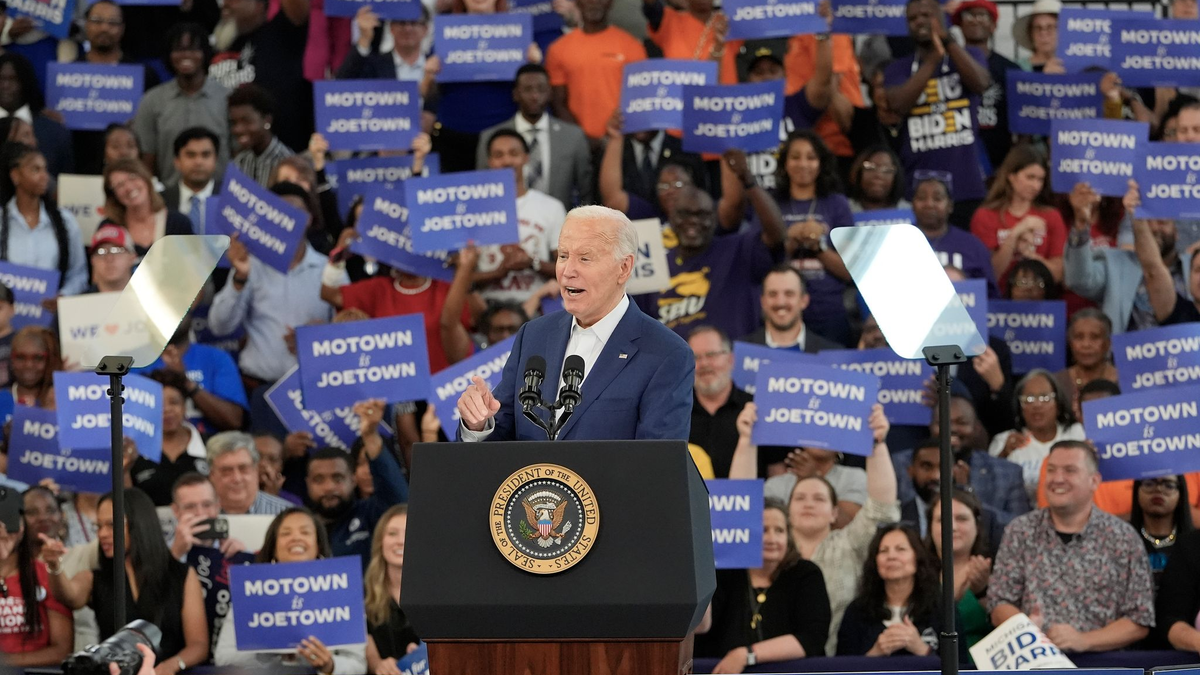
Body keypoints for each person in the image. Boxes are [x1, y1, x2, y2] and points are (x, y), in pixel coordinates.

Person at [457, 205, 694, 442]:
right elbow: (502, 428)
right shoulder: (534, 335)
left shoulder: (666, 353)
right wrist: (478, 424)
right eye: (563, 256)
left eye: (585, 258)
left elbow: (660, 465)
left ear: (623, 268)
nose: (568, 271)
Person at [988, 441, 1155, 652]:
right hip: (1035, 662)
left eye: (1070, 471)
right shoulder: (1020, 531)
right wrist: (1028, 631)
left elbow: (1140, 620)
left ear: (1094, 481)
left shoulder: (1122, 538)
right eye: (1051, 470)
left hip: (1101, 667)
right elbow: (998, 602)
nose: (1058, 479)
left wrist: (1085, 640)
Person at [41, 488, 210, 672]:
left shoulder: (181, 575)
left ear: (140, 524)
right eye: (98, 526)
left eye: (112, 525)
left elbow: (199, 645)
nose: (102, 534)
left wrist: (168, 667)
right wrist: (54, 565)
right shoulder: (96, 577)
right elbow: (69, 595)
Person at [787, 404, 899, 655]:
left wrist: (877, 444)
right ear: (787, 510)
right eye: (800, 498)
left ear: (834, 513)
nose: (809, 504)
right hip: (777, 665)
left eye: (819, 499)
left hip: (841, 661)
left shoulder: (848, 543)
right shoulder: (771, 550)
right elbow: (742, 515)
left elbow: (881, 508)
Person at [210, 182, 343, 390]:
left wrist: (322, 335)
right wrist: (240, 276)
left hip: (318, 387)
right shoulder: (250, 265)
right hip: (259, 387)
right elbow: (219, 327)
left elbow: (352, 329)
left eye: (295, 211)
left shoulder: (331, 270)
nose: (287, 218)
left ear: (309, 218)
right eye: (280, 212)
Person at [214, 508, 367, 673]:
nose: (296, 538)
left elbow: (358, 664)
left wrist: (330, 665)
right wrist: (265, 651)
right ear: (274, 547)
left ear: (319, 546)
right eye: (286, 533)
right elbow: (223, 657)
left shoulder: (342, 590)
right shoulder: (250, 591)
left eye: (305, 532)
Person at [883, 0, 991, 224]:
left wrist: (947, 41)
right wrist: (933, 59)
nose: (919, 21)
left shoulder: (970, 55)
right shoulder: (898, 68)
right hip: (918, 191)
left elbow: (981, 83)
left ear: (942, 19)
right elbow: (899, 104)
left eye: (926, 15)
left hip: (965, 186)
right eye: (912, 18)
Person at [647, 169, 786, 340]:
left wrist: (750, 184)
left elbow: (776, 236)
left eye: (701, 215)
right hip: (679, 365)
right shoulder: (654, 267)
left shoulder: (739, 250)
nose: (693, 222)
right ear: (672, 219)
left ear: (714, 219)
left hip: (734, 362)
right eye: (684, 214)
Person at [696, 498, 831, 668]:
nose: (771, 538)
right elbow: (701, 628)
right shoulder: (724, 573)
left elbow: (812, 637)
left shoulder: (806, 574)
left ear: (788, 537)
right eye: (763, 530)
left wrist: (747, 655)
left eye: (780, 530)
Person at [306, 399, 409, 568]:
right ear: (307, 483)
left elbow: (398, 499)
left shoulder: (369, 513)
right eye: (319, 479)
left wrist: (369, 435)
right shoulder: (300, 524)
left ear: (353, 480)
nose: (329, 487)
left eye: (338, 478)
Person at [476, 64, 594, 208]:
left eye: (541, 89)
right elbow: (482, 188)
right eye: (527, 89)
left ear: (550, 93)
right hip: (508, 220)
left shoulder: (573, 136)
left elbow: (586, 191)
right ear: (516, 94)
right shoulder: (491, 137)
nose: (535, 96)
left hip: (559, 223)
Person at [775, 130, 854, 345]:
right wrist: (791, 239)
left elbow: (850, 272)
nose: (803, 164)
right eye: (795, 157)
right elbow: (762, 265)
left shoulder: (837, 204)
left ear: (821, 164)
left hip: (828, 310)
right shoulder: (772, 203)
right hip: (780, 308)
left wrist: (817, 246)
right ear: (784, 163)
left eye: (811, 157)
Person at [471, 129, 566, 307]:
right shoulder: (472, 210)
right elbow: (460, 278)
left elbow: (569, 268)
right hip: (487, 310)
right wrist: (498, 273)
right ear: (489, 161)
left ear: (526, 157)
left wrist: (533, 263)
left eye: (513, 154)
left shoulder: (552, 207)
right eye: (498, 155)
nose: (507, 161)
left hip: (539, 309)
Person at [132, 23, 231, 185]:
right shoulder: (152, 100)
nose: (186, 55)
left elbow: (238, 156)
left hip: (218, 199)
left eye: (193, 49)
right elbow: (146, 159)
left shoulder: (226, 98)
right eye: (178, 50)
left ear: (205, 54)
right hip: (168, 197)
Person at [209, 0, 312, 154]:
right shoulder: (219, 44)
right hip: (225, 157)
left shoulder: (282, 34)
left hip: (281, 156)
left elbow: (297, 7)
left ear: (259, 5)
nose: (226, 4)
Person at [545, 0, 647, 146]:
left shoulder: (632, 46)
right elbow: (558, 103)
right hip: (577, 144)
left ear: (610, 3)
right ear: (578, 3)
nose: (594, 3)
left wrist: (616, 137)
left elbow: (639, 101)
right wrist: (582, 140)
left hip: (621, 142)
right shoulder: (558, 49)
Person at [971, 145, 1067, 294]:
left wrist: (1031, 256)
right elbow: (992, 274)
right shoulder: (985, 215)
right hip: (998, 300)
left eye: (1040, 179)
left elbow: (1057, 275)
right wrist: (1016, 234)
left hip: (1041, 303)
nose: (1036, 186)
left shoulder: (1051, 216)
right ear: (1011, 176)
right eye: (1030, 177)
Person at [836, 524, 941, 656]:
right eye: (884, 551)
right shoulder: (857, 611)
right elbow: (843, 667)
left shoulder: (942, 608)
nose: (891, 556)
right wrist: (876, 652)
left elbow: (962, 667)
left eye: (901, 549)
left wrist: (921, 648)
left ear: (918, 557)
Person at [0, 143, 88, 296]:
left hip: (52, 315)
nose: (44, 176)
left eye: (45, 169)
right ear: (15, 175)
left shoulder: (65, 222)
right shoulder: (2, 221)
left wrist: (63, 295)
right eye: (35, 170)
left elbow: (79, 274)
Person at [989, 369, 1085, 501]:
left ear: (1058, 403)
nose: (1037, 405)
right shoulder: (1005, 441)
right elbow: (990, 489)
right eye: (1028, 399)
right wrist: (1003, 455)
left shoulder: (1076, 433)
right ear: (1020, 406)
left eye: (1045, 397)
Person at [140, 323, 248, 435]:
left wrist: (186, 382)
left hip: (211, 446)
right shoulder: (134, 361)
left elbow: (234, 421)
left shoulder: (216, 358)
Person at [125, 370, 211, 507]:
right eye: (158, 404)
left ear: (185, 406)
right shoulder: (135, 450)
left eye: (174, 402)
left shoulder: (211, 445)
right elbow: (128, 503)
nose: (166, 410)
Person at [0, 507, 72, 666]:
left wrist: (5, 664)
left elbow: (62, 650)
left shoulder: (43, 573)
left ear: (21, 528)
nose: (2, 530)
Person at [952, 0, 1017, 174]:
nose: (975, 20)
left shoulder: (1010, 70)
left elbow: (1023, 125)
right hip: (955, 157)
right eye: (969, 15)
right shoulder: (946, 66)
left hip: (999, 161)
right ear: (960, 24)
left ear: (993, 26)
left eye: (982, 15)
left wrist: (1009, 166)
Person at [927, 488, 993, 650]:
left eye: (961, 519)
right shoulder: (914, 573)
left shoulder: (996, 571)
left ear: (977, 526)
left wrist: (983, 592)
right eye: (942, 520)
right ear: (930, 527)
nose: (952, 527)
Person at [912, 177, 997, 296]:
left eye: (937, 199)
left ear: (950, 206)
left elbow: (990, 297)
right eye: (921, 198)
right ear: (913, 205)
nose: (929, 204)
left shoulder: (973, 246)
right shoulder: (894, 243)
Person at [688, 326, 753, 479]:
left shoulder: (755, 408)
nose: (704, 364)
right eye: (695, 357)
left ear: (730, 359)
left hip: (750, 501)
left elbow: (775, 472)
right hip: (689, 502)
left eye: (711, 355)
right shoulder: (673, 412)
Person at [364, 505, 421, 674]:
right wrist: (379, 665)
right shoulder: (363, 595)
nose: (400, 541)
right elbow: (365, 643)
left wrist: (425, 653)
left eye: (408, 532)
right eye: (392, 534)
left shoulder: (439, 592)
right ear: (380, 541)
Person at [101, 158, 193, 258]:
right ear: (113, 195)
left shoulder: (178, 223)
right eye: (120, 185)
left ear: (146, 178)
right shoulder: (108, 228)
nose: (129, 187)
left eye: (133, 178)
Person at [0, 54, 72, 177]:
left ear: (25, 82)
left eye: (13, 79)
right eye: (1, 79)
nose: (5, 86)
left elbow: (66, 184)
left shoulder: (54, 131)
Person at [741, 265, 841, 352]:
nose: (780, 302)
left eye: (789, 294)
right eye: (772, 294)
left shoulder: (831, 354)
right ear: (763, 301)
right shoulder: (738, 355)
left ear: (804, 301)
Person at [1132, 214, 1200, 326]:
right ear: (1189, 277)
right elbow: (1153, 270)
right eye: (1198, 270)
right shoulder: (1178, 311)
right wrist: (1137, 216)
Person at [1130, 476, 1194, 594]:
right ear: (1137, 491)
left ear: (1181, 495)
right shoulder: (1122, 541)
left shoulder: (1195, 544)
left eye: (1169, 485)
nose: (1158, 490)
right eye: (1149, 484)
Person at [206, 431, 293, 515]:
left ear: (255, 471)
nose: (237, 478)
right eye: (227, 471)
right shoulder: (197, 513)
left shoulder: (285, 514)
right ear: (212, 475)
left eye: (243, 469)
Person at [337, 5, 429, 83]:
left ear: (425, 29)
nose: (407, 29)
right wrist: (364, 39)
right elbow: (341, 83)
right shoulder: (375, 65)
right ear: (391, 28)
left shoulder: (438, 67)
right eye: (401, 23)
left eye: (414, 23)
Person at [168, 473, 249, 561]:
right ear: (176, 511)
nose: (200, 513)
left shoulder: (235, 549)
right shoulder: (159, 553)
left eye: (207, 505)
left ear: (217, 506)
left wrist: (243, 561)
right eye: (190, 507)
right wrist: (175, 555)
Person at [227, 83, 294, 186]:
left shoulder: (287, 163)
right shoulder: (239, 162)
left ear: (267, 120)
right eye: (234, 123)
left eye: (246, 121)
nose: (238, 129)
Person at [1052, 309, 1117, 411]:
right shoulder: (1056, 383)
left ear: (1108, 343)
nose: (1086, 345)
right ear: (1070, 342)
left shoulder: (1126, 382)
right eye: (1079, 337)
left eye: (1095, 337)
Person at [162, 127, 220, 234]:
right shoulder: (161, 201)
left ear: (215, 160)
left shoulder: (229, 200)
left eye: (205, 155)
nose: (198, 162)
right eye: (191, 155)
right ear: (177, 161)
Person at [0, 326, 61, 423]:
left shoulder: (60, 401)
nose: (28, 365)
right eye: (20, 357)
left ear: (49, 361)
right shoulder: (2, 399)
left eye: (37, 358)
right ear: (11, 359)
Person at [847, 146, 909, 213]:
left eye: (887, 170)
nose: (878, 175)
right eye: (870, 168)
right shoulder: (843, 210)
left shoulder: (909, 211)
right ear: (858, 172)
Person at [1013, 0, 1062, 73]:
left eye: (1050, 27)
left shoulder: (1076, 67)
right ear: (1030, 33)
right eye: (1038, 28)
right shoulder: (1017, 68)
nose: (1043, 33)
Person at [87, 225, 137, 293]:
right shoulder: (78, 301)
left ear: (132, 257)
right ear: (93, 260)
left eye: (116, 250)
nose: (109, 258)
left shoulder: (150, 296)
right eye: (101, 252)